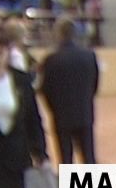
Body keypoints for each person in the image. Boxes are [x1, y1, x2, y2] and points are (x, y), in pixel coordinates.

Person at [0, 23, 48, 188]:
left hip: (16, 164)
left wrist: (40, 153)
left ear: (7, 53)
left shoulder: (22, 80)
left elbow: (33, 120)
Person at [40, 16, 99, 164]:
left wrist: (54, 109)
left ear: (59, 34)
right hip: (84, 114)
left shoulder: (51, 59)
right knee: (89, 159)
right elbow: (94, 85)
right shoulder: (89, 56)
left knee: (65, 160)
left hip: (62, 116)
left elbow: (45, 90)